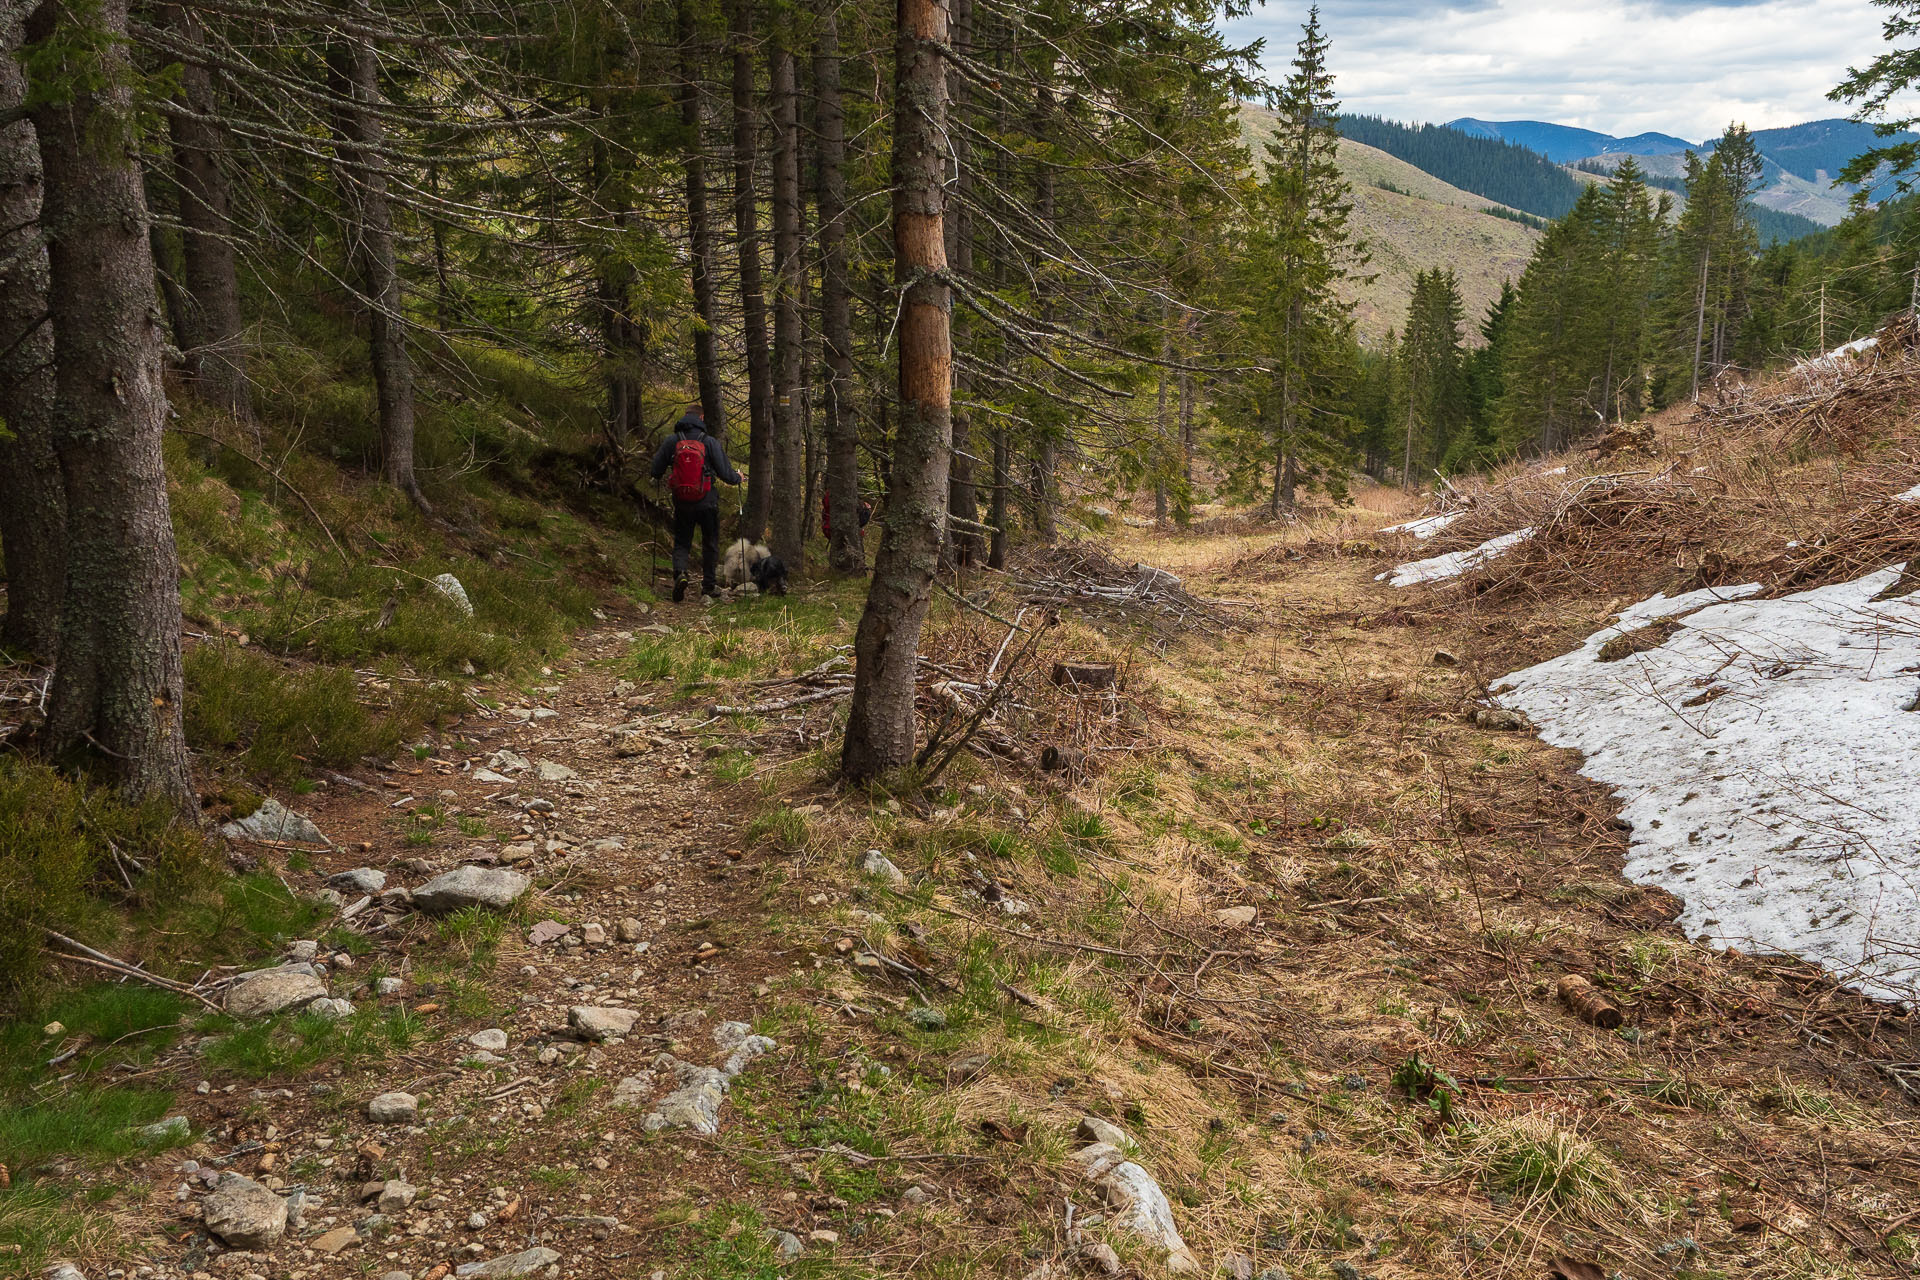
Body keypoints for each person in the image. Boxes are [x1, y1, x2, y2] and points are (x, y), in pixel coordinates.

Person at [649, 407, 742, 601]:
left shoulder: (672, 441)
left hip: (682, 502)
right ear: (701, 418)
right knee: (710, 543)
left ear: (684, 417)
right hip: (707, 502)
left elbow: (655, 470)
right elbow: (726, 474)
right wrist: (738, 478)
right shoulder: (709, 442)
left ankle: (680, 573)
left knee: (682, 541)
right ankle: (708, 586)